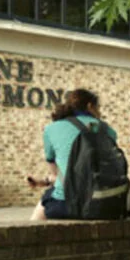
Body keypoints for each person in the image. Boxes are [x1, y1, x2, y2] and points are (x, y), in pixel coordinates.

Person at [29, 89, 117, 220]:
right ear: (90, 106)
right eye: (98, 108)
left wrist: (46, 181)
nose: (99, 113)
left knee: (47, 199)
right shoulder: (107, 130)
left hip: (66, 204)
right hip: (104, 203)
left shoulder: (51, 128)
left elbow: (57, 175)